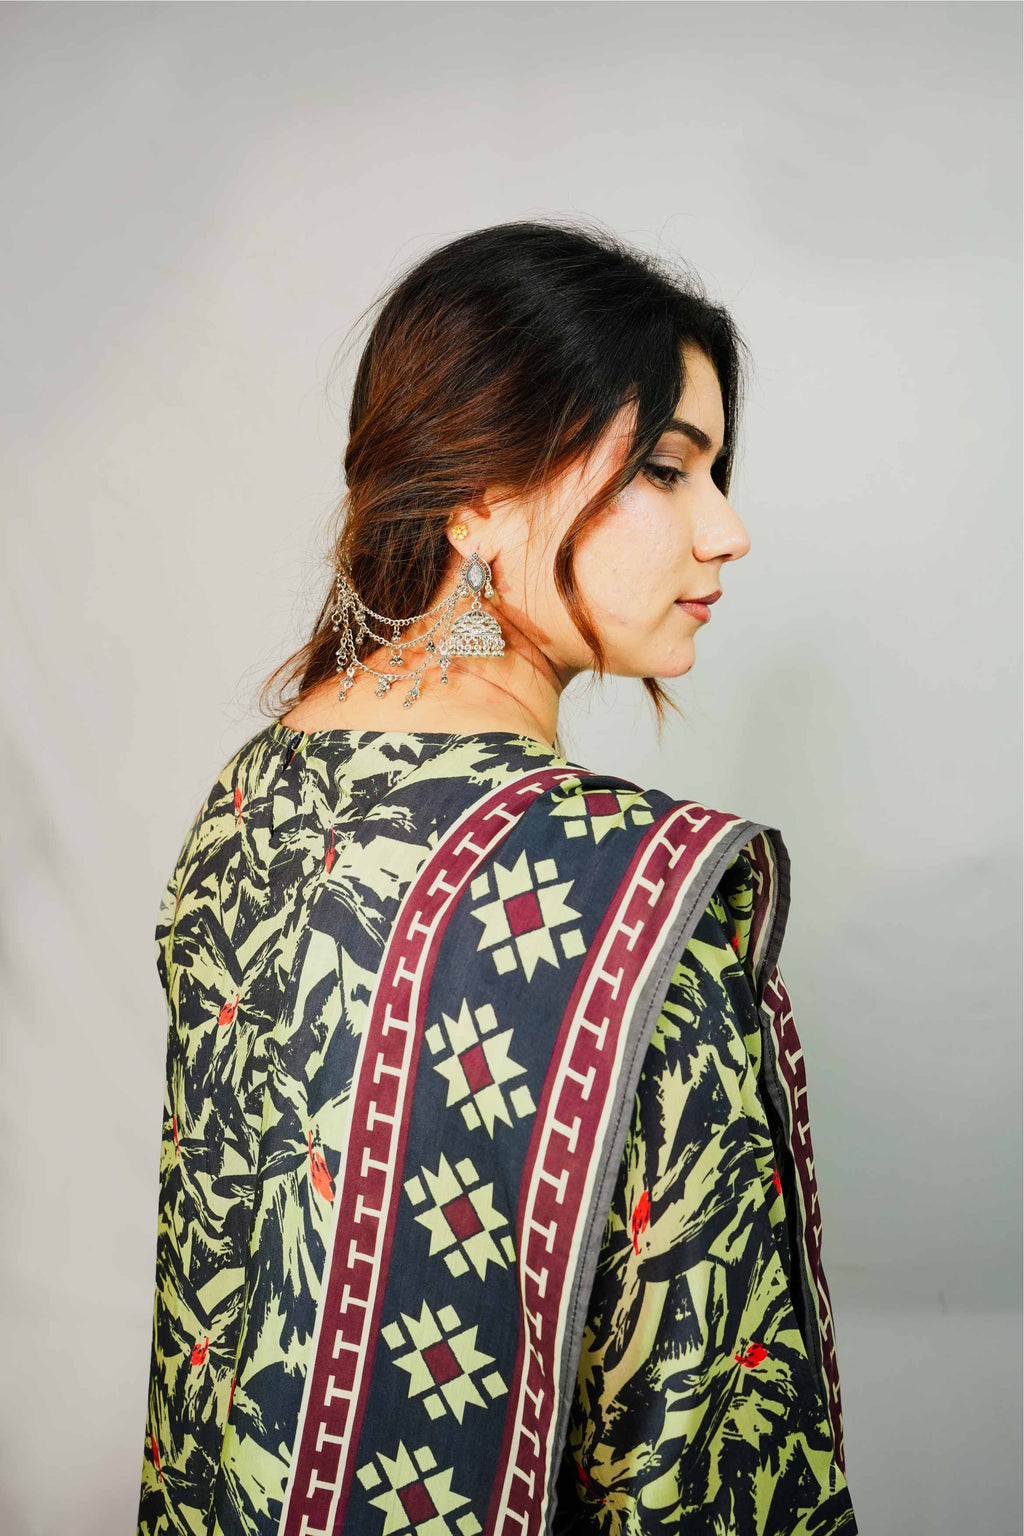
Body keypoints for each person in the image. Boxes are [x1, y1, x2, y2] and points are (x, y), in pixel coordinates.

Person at [137, 220, 858, 1535]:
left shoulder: (243, 807)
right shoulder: (641, 903)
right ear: (477, 493)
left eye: (717, 474)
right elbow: (708, 1451)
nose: (729, 529)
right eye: (665, 470)